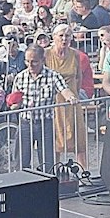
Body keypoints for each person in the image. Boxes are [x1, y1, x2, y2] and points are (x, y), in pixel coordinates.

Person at [10, 43, 76, 172]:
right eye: (27, 61)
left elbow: (64, 89)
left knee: (47, 162)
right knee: (21, 161)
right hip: (25, 123)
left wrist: (71, 97)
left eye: (34, 62)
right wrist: (14, 105)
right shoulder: (20, 77)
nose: (30, 65)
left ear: (42, 60)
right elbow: (15, 99)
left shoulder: (53, 75)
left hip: (45, 123)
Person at [43, 24, 94, 173]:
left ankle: (84, 172)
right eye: (61, 36)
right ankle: (54, 172)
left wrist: (74, 94)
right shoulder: (46, 54)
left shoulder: (75, 55)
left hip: (72, 101)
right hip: (53, 102)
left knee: (78, 138)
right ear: (54, 37)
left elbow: (78, 77)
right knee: (55, 138)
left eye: (67, 36)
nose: (64, 39)